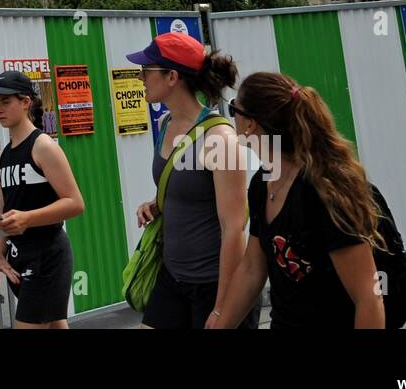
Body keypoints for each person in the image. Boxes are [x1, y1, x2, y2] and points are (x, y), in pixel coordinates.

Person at [211, 72, 386, 329]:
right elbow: (251, 269)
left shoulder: (323, 192)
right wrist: (221, 322)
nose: (231, 116)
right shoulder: (262, 183)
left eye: (234, 108)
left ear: (250, 124)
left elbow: (368, 299)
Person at [128, 32, 257, 329]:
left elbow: (234, 228)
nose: (140, 77)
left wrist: (223, 307)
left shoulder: (219, 139)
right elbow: (187, 188)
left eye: (146, 71)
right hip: (172, 277)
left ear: (172, 77)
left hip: (213, 285)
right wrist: (158, 203)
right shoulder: (164, 124)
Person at [0, 70, 85, 329]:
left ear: (25, 103)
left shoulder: (43, 146)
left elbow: (75, 202)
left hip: (47, 255)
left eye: (6, 102)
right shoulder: (2, 156)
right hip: (19, 257)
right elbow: (6, 209)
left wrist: (28, 218)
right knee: (55, 324)